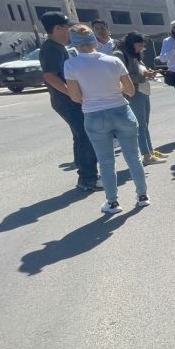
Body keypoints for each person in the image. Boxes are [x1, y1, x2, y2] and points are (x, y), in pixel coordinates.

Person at [63, 24, 149, 213]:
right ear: (94, 40)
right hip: (121, 110)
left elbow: (76, 97)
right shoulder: (113, 61)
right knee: (133, 157)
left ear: (74, 44)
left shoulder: (71, 65)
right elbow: (130, 91)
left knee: (106, 161)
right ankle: (142, 196)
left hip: (94, 114)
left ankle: (113, 202)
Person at [39, 11, 100, 192]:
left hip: (69, 100)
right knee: (86, 136)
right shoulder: (51, 48)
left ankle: (86, 175)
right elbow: (50, 76)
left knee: (80, 136)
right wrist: (73, 95)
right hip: (67, 102)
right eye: (68, 28)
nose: (70, 33)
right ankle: (88, 179)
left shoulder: (57, 47)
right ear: (57, 28)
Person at [114, 32, 165, 165]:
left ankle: (150, 151)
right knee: (140, 126)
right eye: (139, 45)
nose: (141, 48)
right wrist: (143, 76)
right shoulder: (120, 54)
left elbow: (138, 70)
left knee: (144, 124)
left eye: (143, 46)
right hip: (134, 93)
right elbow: (121, 77)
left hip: (142, 91)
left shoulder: (135, 54)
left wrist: (147, 73)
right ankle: (147, 156)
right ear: (130, 43)